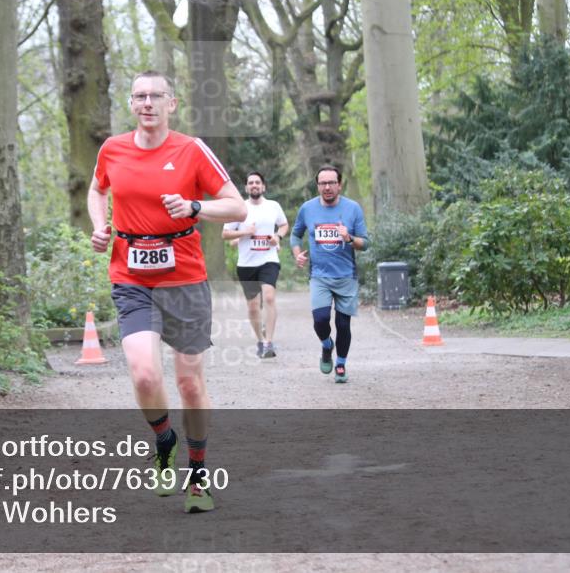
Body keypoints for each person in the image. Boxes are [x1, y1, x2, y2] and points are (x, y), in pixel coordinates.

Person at [88, 70, 246, 513]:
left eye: (156, 96)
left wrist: (196, 206)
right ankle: (164, 439)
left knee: (190, 383)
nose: (147, 103)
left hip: (185, 278)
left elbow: (235, 204)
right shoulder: (112, 149)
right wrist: (100, 227)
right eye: (139, 96)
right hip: (131, 275)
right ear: (131, 103)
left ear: (171, 104)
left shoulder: (191, 150)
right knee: (143, 373)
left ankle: (197, 474)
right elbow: (97, 190)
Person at [290, 165, 369, 384]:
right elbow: (295, 236)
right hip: (319, 275)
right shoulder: (307, 209)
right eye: (323, 183)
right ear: (318, 186)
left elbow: (366, 244)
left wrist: (350, 238)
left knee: (343, 325)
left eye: (331, 182)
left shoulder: (353, 209)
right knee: (321, 319)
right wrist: (297, 254)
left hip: (346, 276)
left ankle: (341, 364)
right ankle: (327, 345)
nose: (327, 187)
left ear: (339, 185)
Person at [222, 171, 289, 359]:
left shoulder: (273, 206)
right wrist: (244, 232)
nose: (254, 185)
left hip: (268, 260)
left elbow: (284, 225)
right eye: (250, 183)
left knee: (268, 297)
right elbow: (225, 234)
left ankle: (269, 342)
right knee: (253, 307)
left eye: (257, 182)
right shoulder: (239, 209)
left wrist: (278, 236)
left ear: (263, 186)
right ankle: (260, 340)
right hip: (246, 264)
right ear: (246, 188)